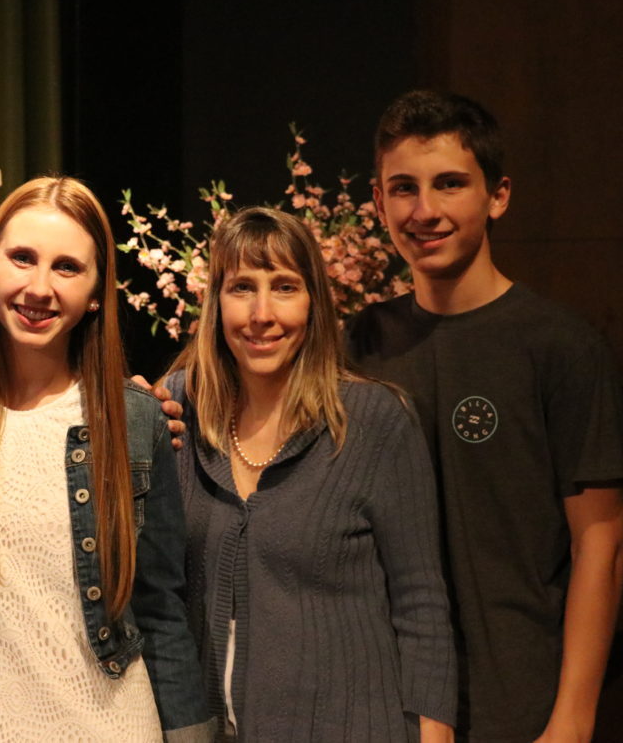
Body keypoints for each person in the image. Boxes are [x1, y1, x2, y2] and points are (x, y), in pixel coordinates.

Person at [348, 90, 623, 742]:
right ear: (378, 200)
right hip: (389, 704)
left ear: (497, 195)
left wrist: (572, 720)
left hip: (521, 705)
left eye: (449, 184)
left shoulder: (560, 345)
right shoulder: (355, 344)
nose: (425, 211)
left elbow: (601, 543)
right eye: (403, 188)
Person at [0, 177, 213, 742]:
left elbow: (160, 610)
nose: (39, 287)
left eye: (68, 267)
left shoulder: (134, 418)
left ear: (97, 291)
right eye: (22, 258)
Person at [163, 206, 457, 741]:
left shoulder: (374, 421)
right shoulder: (179, 410)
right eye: (241, 288)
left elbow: (422, 605)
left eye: (285, 287)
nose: (262, 313)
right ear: (215, 303)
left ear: (314, 303)